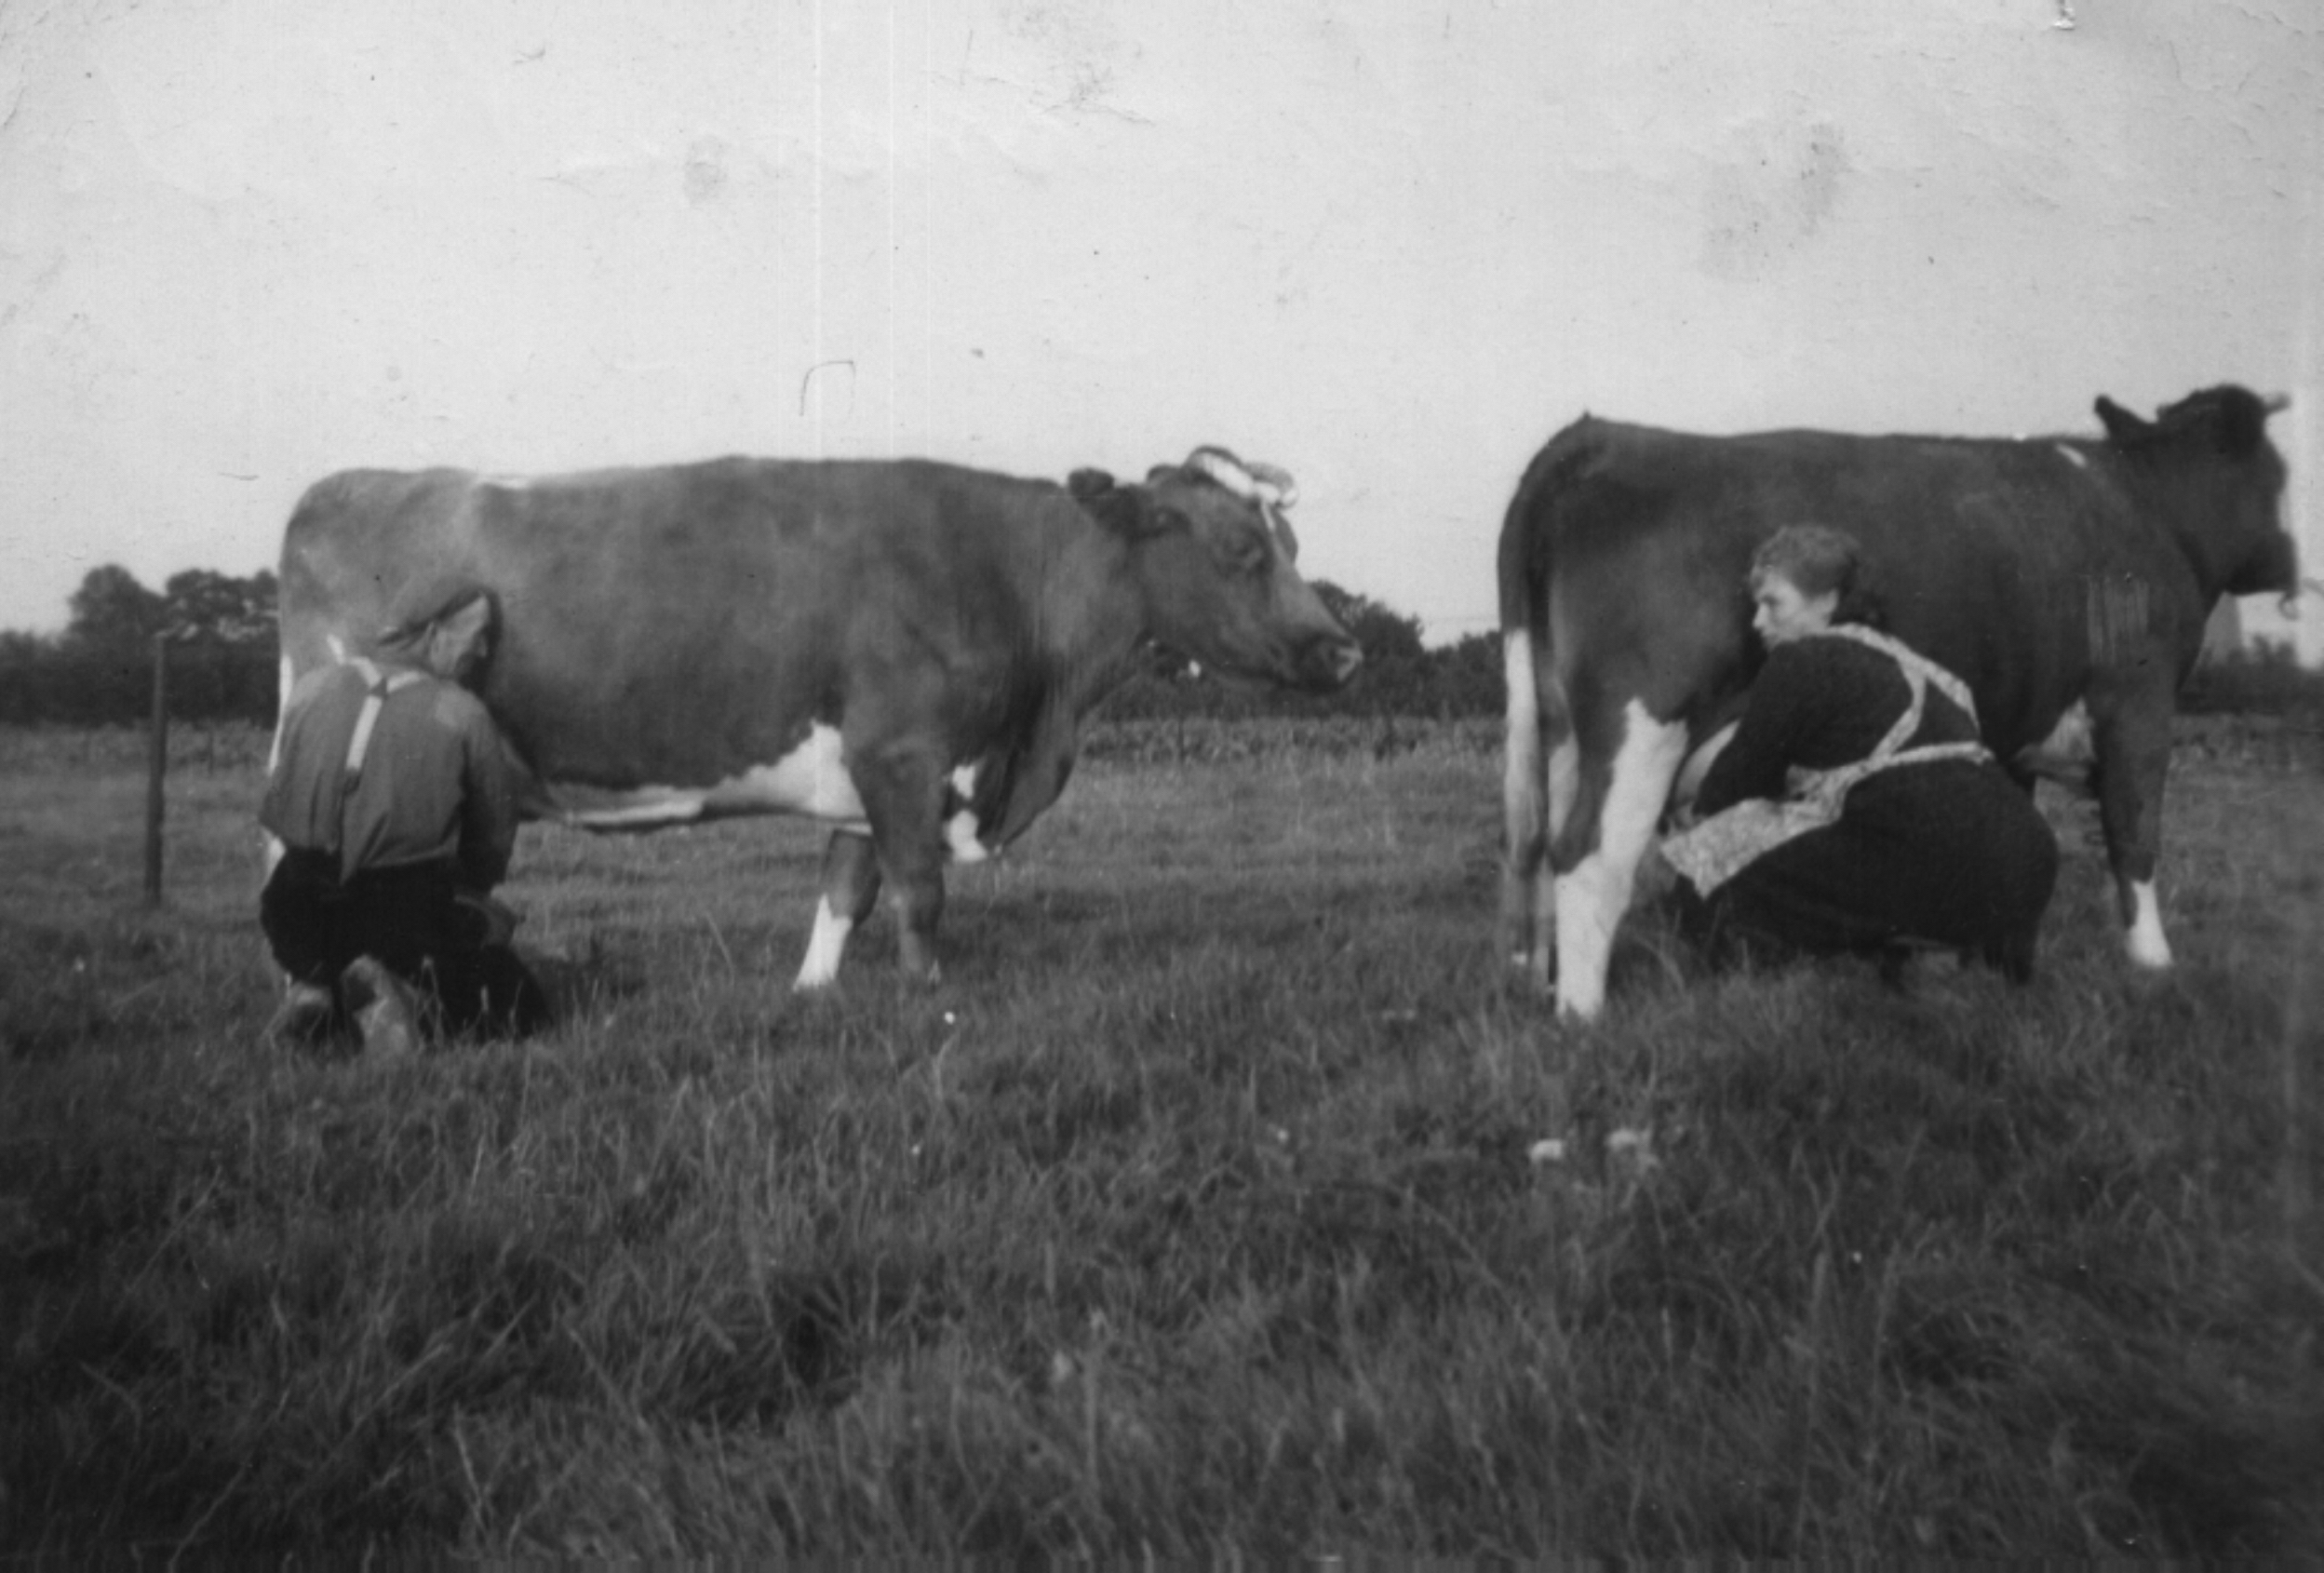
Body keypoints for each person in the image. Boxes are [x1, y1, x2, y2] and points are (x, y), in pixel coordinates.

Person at [1660, 524, 2059, 983]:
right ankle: (1947, 948)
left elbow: (1733, 787)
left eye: (1773, 604)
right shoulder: (1921, 667)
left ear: (1827, 600)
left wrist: (1698, 821)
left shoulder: (1802, 659)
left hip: (1930, 853)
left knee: (1704, 877)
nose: (1758, 623)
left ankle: (1892, 946)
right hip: (2025, 863)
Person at [259, 575, 547, 1055]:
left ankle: (315, 985)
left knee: (317, 906)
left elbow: (280, 804)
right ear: (434, 633)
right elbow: (492, 842)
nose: (481, 652)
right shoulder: (463, 713)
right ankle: (402, 998)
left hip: (293, 905)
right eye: (476, 636)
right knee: (522, 1004)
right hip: (397, 913)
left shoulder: (310, 689)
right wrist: (470, 897)